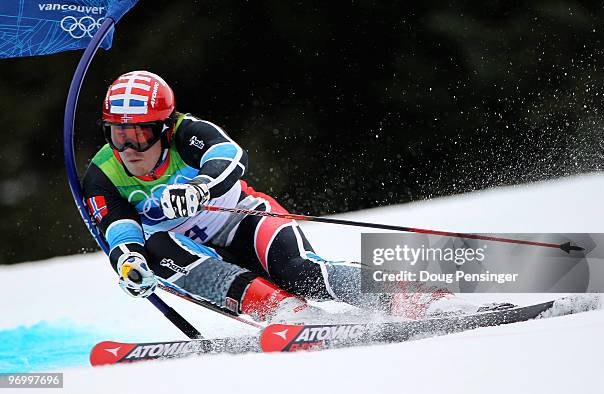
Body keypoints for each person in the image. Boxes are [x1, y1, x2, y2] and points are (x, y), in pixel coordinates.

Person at [83, 70, 499, 324]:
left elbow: (230, 158)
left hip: (241, 220)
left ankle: (413, 294)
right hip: (190, 251)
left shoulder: (188, 132)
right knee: (154, 247)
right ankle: (284, 313)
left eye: (140, 132)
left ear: (164, 126)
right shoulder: (103, 173)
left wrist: (198, 187)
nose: (130, 146)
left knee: (299, 271)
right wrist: (130, 264)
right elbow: (116, 228)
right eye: (117, 134)